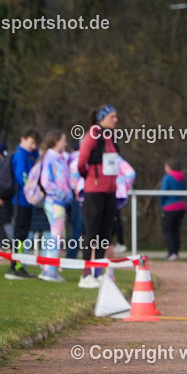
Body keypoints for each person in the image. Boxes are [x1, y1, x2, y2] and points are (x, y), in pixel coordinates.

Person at [77, 105, 119, 288]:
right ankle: (86, 274)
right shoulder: (94, 133)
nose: (116, 120)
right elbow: (81, 162)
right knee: (92, 232)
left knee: (105, 233)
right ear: (103, 118)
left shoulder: (112, 136)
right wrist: (92, 178)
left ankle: (98, 272)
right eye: (112, 116)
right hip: (94, 191)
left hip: (109, 191)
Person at [38, 130, 72, 282]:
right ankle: (49, 270)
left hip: (58, 203)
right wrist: (61, 194)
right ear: (55, 141)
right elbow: (46, 182)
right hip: (55, 203)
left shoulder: (60, 158)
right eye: (63, 140)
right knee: (56, 237)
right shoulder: (51, 159)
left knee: (56, 236)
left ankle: (47, 267)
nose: (65, 143)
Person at [6, 128, 40, 279]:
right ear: (23, 139)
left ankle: (19, 265)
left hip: (27, 203)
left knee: (23, 236)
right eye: (31, 142)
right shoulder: (21, 156)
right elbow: (22, 177)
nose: (33, 146)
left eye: (35, 144)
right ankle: (16, 267)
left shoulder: (31, 156)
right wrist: (32, 189)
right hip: (20, 201)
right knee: (19, 236)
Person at [159, 159, 187, 261]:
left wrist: (162, 204)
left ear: (169, 167)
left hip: (170, 207)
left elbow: (163, 192)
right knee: (176, 230)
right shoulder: (183, 177)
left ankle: (172, 252)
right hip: (181, 206)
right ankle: (176, 251)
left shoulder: (167, 177)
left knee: (167, 230)